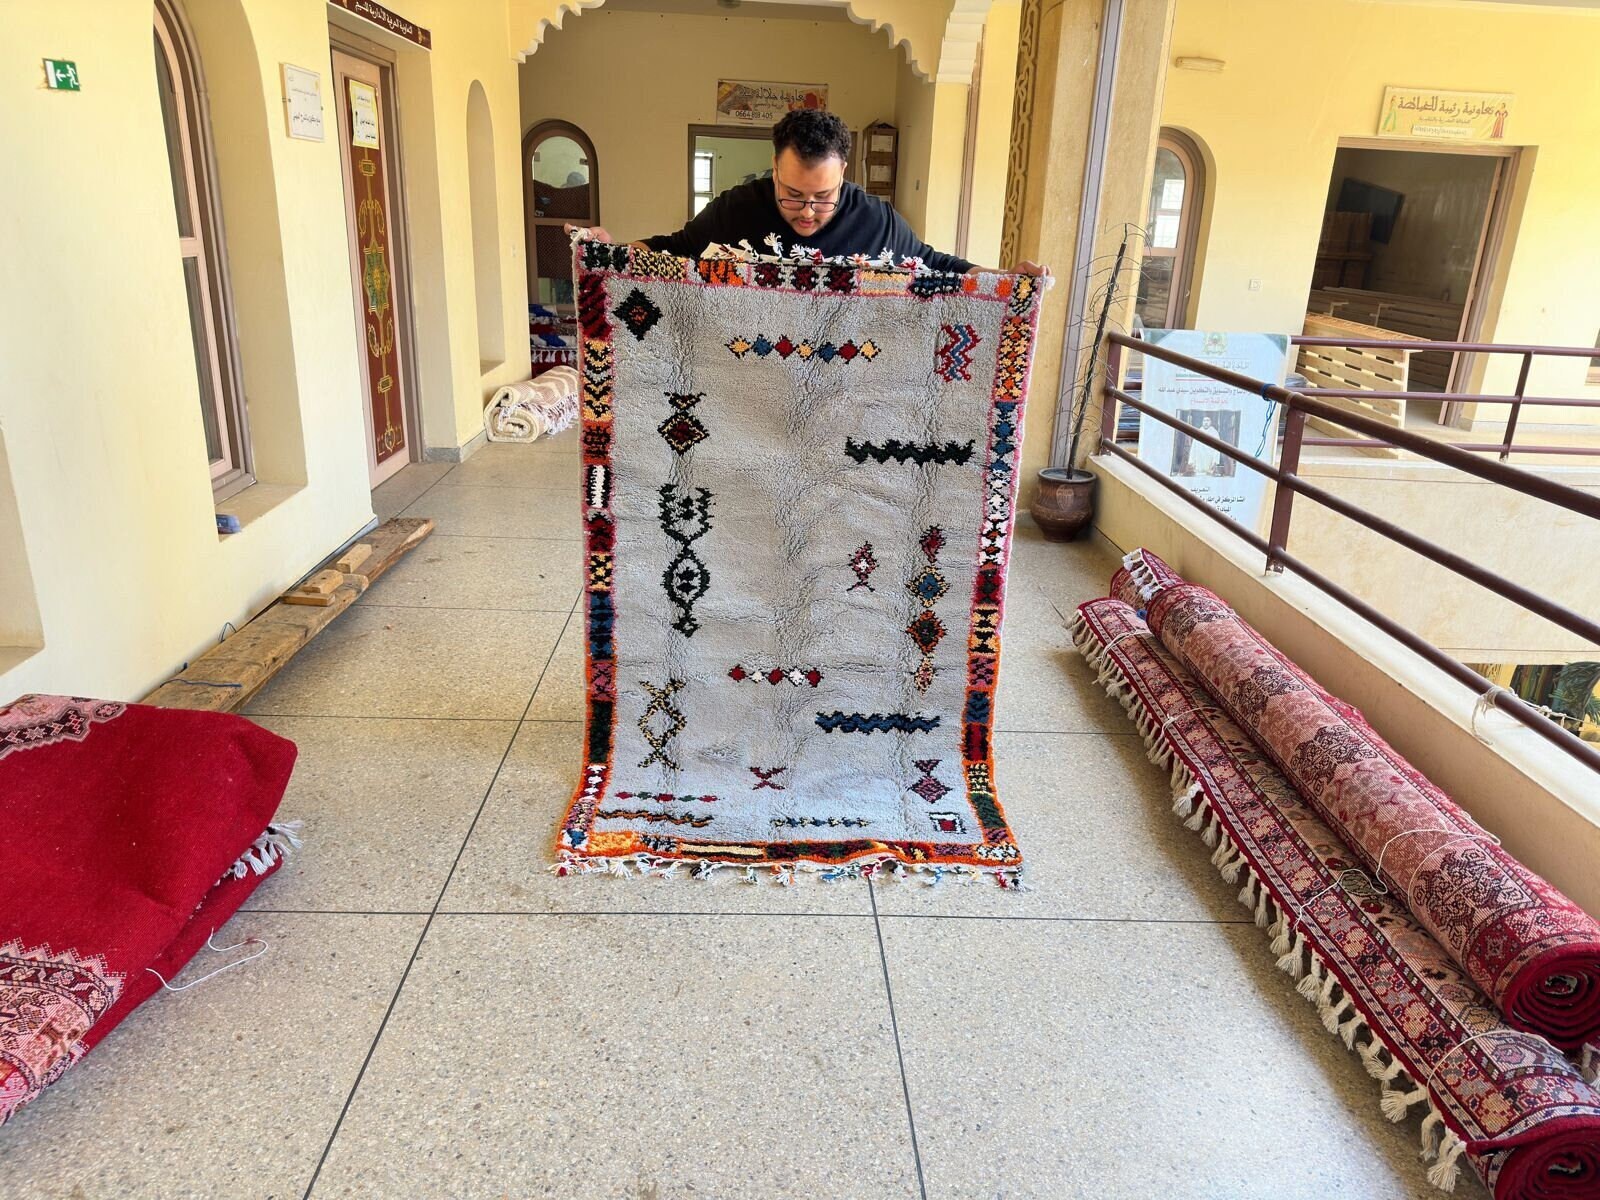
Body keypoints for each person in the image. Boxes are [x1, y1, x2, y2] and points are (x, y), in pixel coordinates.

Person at [573, 109, 1048, 277]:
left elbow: (932, 264)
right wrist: (609, 253)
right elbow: (674, 250)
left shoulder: (876, 220)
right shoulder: (736, 210)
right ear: (774, 169)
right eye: (792, 194)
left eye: (823, 197)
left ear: (844, 174)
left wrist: (1004, 280)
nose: (807, 212)